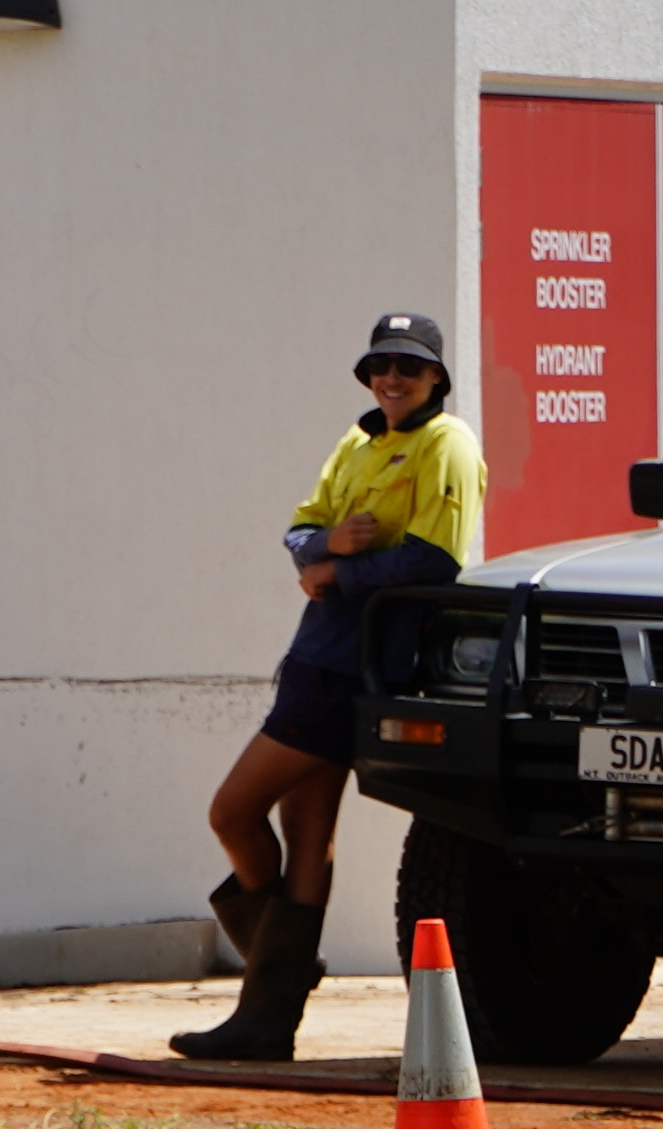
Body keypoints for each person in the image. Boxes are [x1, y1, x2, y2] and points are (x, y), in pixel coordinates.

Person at [175, 311, 485, 1060]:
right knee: (306, 828)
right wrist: (324, 546)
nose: (393, 379)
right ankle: (270, 1015)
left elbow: (434, 561)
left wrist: (336, 571)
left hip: (356, 664)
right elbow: (300, 528)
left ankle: (275, 982)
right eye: (382, 366)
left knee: (231, 811)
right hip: (318, 654)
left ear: (438, 377)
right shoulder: (358, 438)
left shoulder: (447, 443)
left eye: (409, 368)